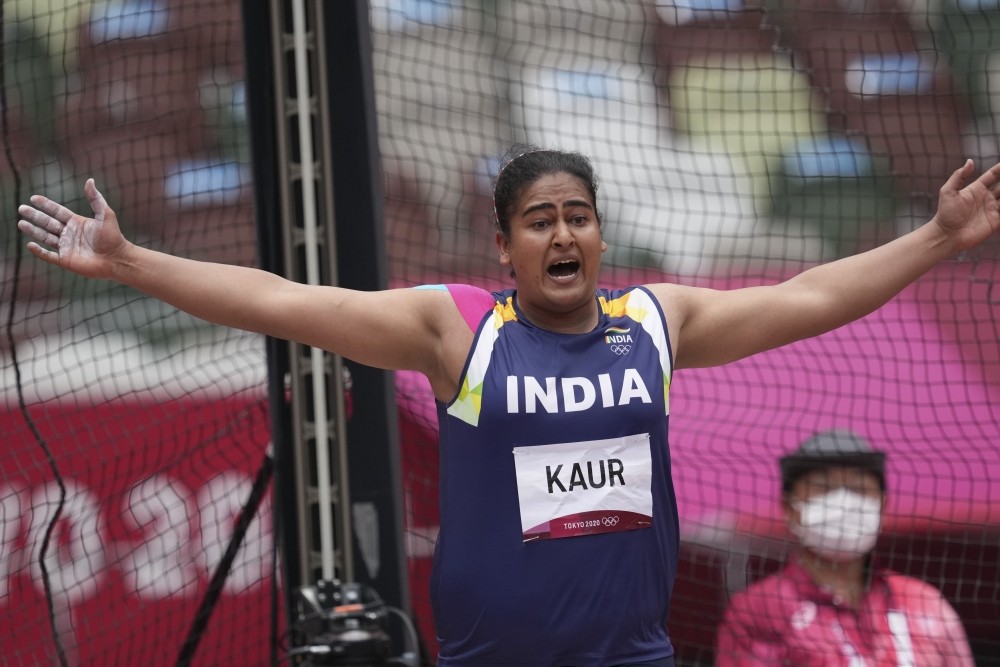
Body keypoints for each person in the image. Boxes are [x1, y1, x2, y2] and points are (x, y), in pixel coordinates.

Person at [16, 145, 1000, 667]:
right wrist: (132, 261)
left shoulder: (652, 323)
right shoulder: (458, 331)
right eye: (541, 220)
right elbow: (285, 301)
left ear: (599, 236)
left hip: (635, 657)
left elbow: (809, 299)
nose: (563, 234)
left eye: (578, 217)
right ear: (505, 245)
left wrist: (935, 239)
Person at [715, 430, 976, 666]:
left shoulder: (925, 603)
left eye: (859, 488)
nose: (843, 503)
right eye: (823, 488)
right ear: (789, 508)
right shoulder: (760, 610)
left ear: (883, 506)